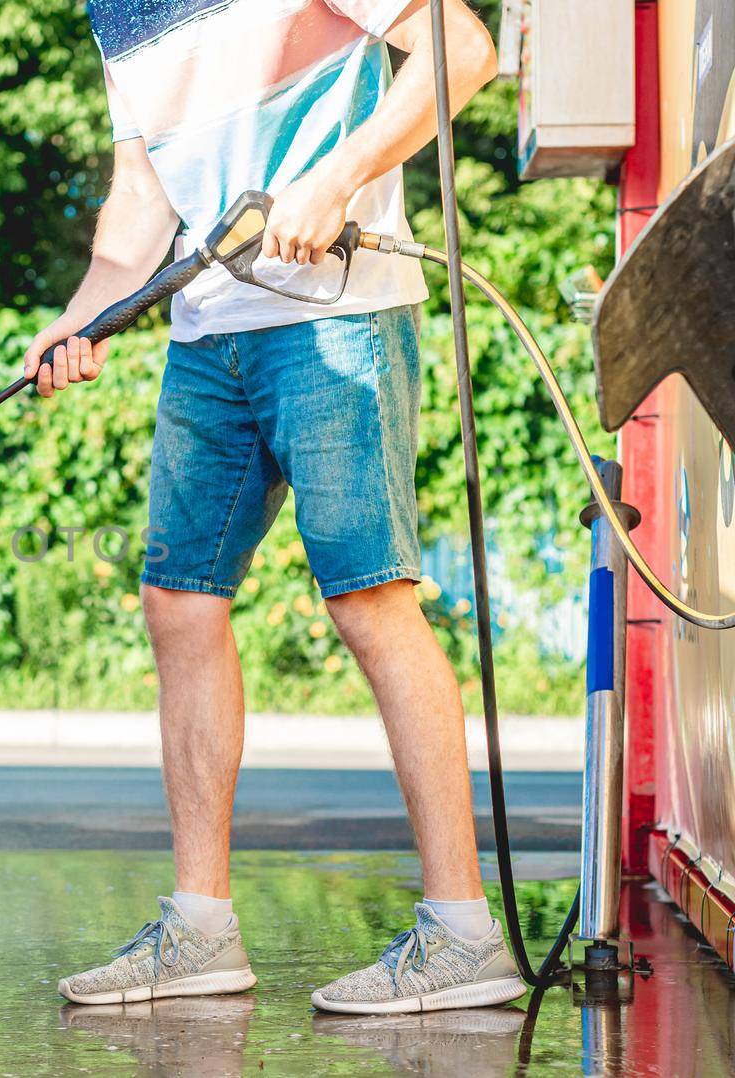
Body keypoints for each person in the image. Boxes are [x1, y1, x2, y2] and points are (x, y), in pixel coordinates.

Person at [35, 0, 511, 1014]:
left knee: (368, 601)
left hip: (337, 313)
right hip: (207, 333)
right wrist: (85, 312)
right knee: (180, 601)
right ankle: (200, 927)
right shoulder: (113, 13)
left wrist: (336, 178)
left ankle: (463, 931)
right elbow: (139, 191)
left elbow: (463, 51)